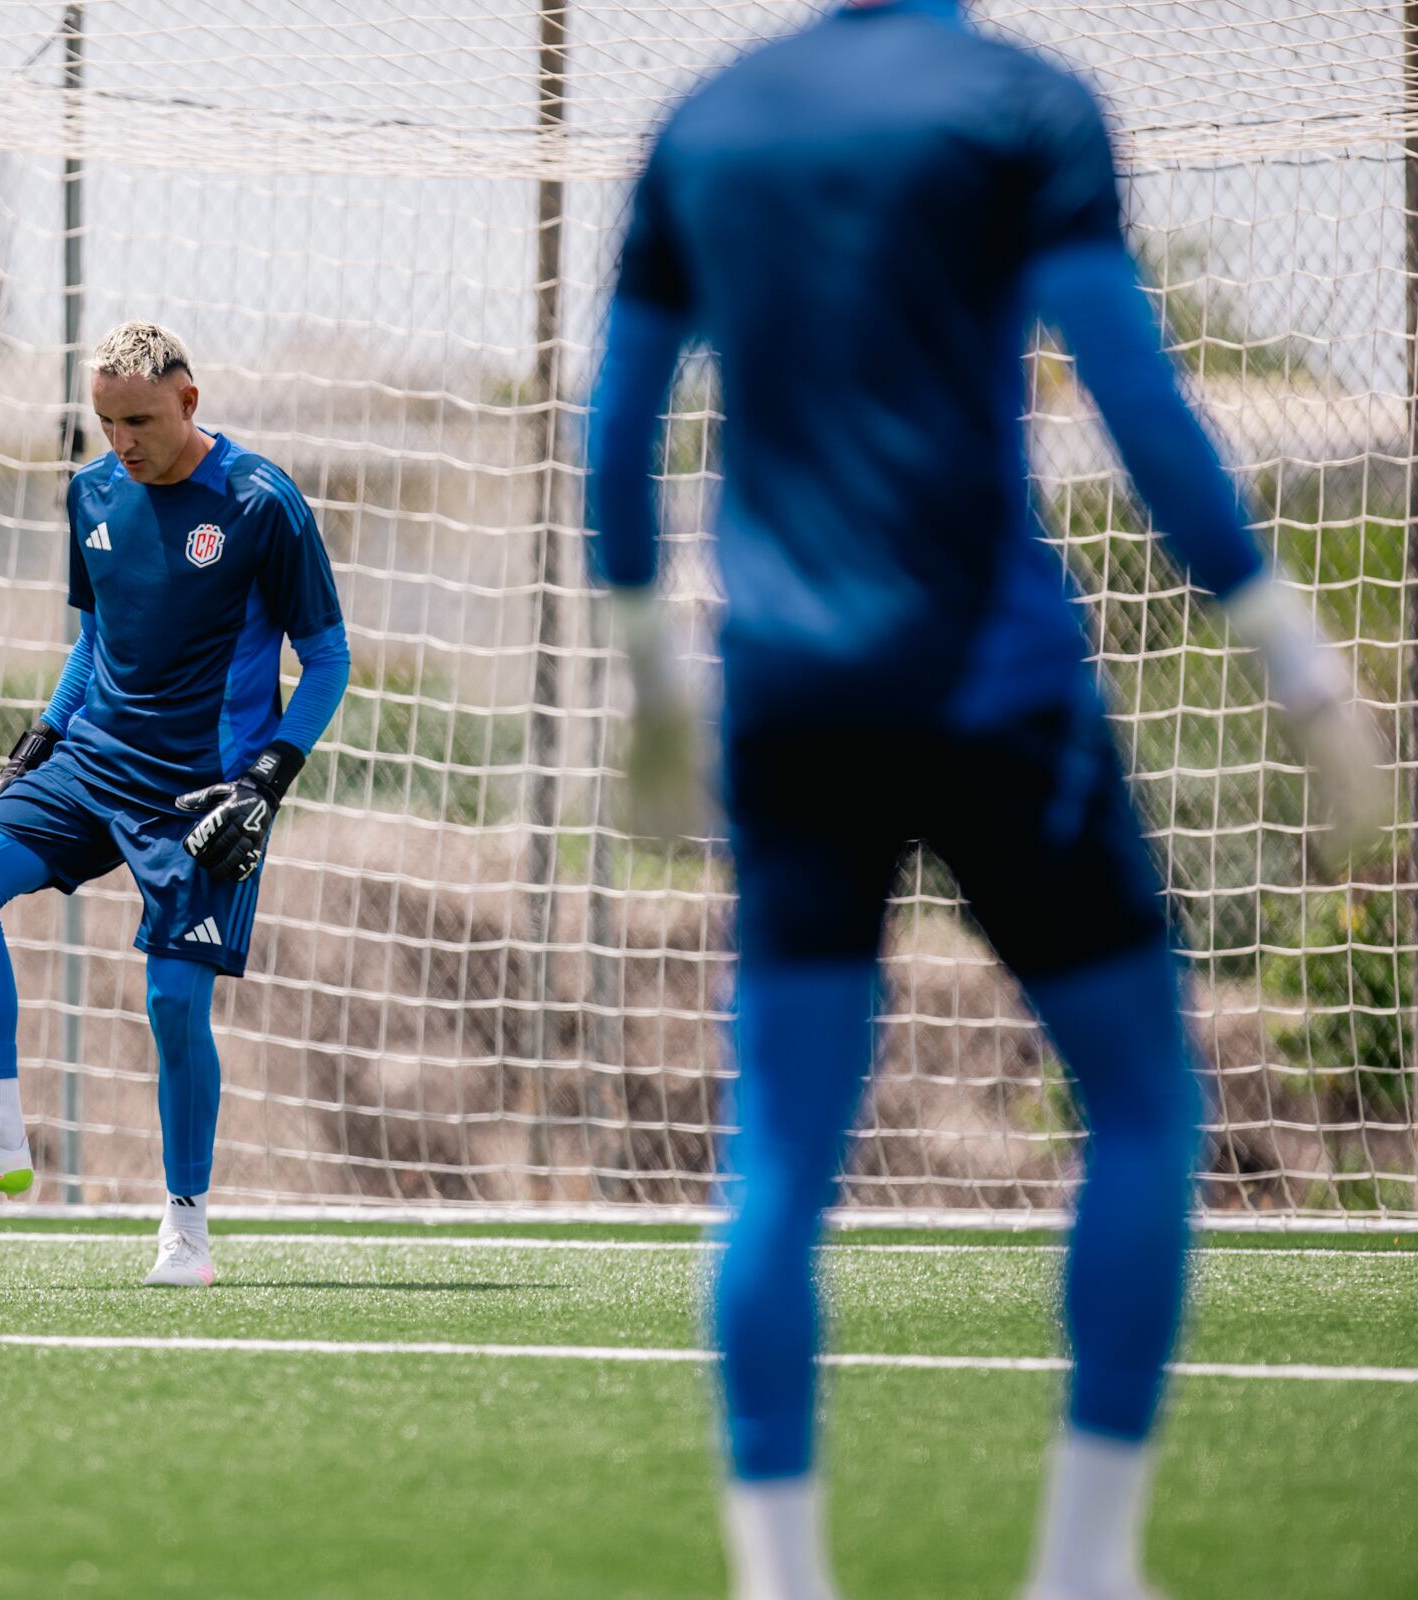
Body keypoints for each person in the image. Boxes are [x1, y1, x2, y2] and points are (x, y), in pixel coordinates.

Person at [583, 3, 1391, 1597]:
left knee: (780, 1163)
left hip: (789, 703)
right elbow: (1139, 401)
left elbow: (611, 431)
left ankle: (779, 1579)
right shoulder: (1025, 104)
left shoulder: (705, 121)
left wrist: (657, 694)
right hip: (994, 692)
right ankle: (1085, 1567)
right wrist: (1292, 655)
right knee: (1150, 1103)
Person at [0, 320, 352, 1289]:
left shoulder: (262, 503)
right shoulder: (90, 493)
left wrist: (266, 782)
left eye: (138, 419)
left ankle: (184, 1227)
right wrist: (40, 741)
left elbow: (328, 657)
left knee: (174, 1004)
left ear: (188, 401)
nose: (121, 439)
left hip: (204, 789)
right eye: (104, 421)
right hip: (94, 758)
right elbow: (92, 643)